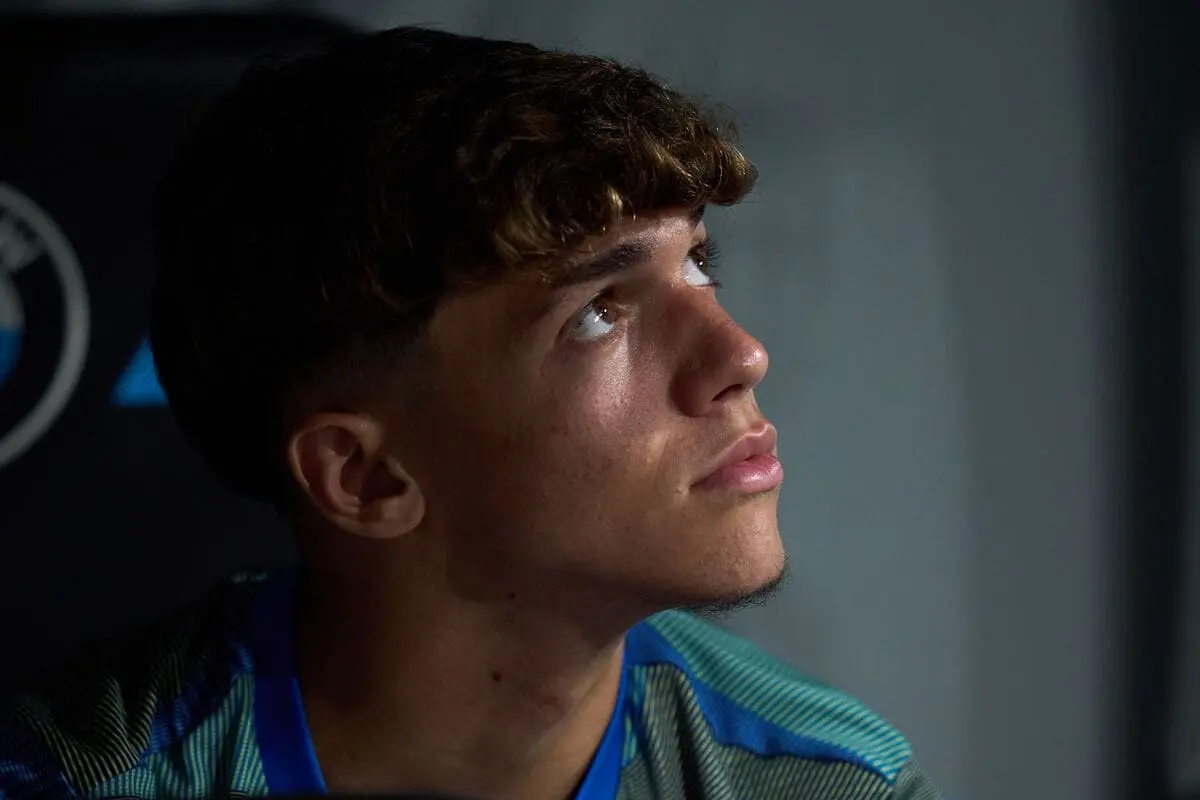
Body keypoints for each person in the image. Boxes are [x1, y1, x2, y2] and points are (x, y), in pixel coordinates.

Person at [0, 25, 943, 800]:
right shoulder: (69, 781)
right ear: (366, 477)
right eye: (597, 313)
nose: (741, 356)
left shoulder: (835, 783)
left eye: (699, 261)